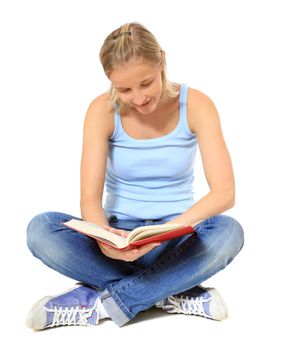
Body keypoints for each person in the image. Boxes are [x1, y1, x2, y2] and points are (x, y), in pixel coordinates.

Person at [26, 22, 244, 330]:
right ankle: (173, 289)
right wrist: (105, 241)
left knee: (228, 232)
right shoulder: (102, 110)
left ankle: (102, 304)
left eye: (146, 83)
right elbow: (89, 198)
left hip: (177, 241)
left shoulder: (196, 105)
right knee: (41, 228)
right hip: (119, 241)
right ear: (110, 81)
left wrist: (174, 227)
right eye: (125, 89)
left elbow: (224, 193)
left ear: (162, 62)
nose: (139, 98)